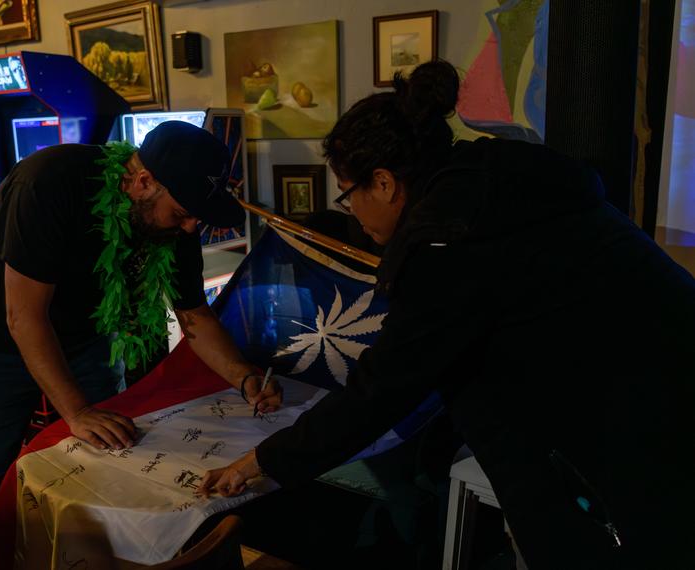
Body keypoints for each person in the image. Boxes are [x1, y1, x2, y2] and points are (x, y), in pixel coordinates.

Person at [199, 61, 695, 569]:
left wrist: (263, 460)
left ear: (385, 183)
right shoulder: (501, 180)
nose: (352, 211)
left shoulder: (448, 244)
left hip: (633, 455)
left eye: (349, 196)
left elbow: (382, 389)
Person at [0, 121, 281, 497]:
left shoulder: (175, 219)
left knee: (110, 451)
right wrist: (76, 412)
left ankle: (79, 552)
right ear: (142, 183)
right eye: (181, 214)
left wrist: (243, 378)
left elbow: (194, 314)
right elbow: (24, 317)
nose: (190, 228)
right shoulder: (50, 180)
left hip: (86, 336)